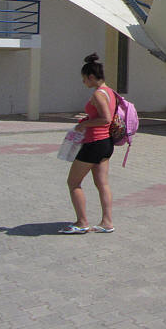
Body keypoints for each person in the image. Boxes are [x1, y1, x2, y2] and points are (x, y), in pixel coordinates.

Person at [59, 53, 117, 234]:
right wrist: (88, 119)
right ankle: (107, 222)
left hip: (94, 143)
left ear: (91, 77)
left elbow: (105, 119)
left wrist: (84, 124)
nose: (83, 82)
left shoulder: (98, 94)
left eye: (84, 78)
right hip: (106, 143)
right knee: (102, 184)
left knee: (73, 182)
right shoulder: (110, 92)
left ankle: (82, 222)